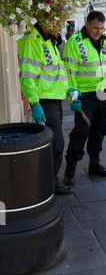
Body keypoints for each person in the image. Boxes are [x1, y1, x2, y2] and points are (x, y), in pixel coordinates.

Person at [17, 22, 72, 195]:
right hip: (44, 101)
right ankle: (48, 187)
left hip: (55, 100)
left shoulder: (49, 41)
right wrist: (35, 103)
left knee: (56, 145)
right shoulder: (32, 41)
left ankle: (51, 183)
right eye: (55, 20)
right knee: (54, 146)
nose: (58, 25)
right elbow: (27, 77)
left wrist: (69, 90)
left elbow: (55, 73)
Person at [63, 11, 106, 185]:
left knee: (100, 129)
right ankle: (70, 168)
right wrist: (72, 94)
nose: (98, 32)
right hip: (84, 95)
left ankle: (95, 163)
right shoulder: (74, 43)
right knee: (81, 131)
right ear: (87, 24)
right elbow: (69, 71)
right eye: (95, 28)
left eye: (101, 28)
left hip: (103, 92)